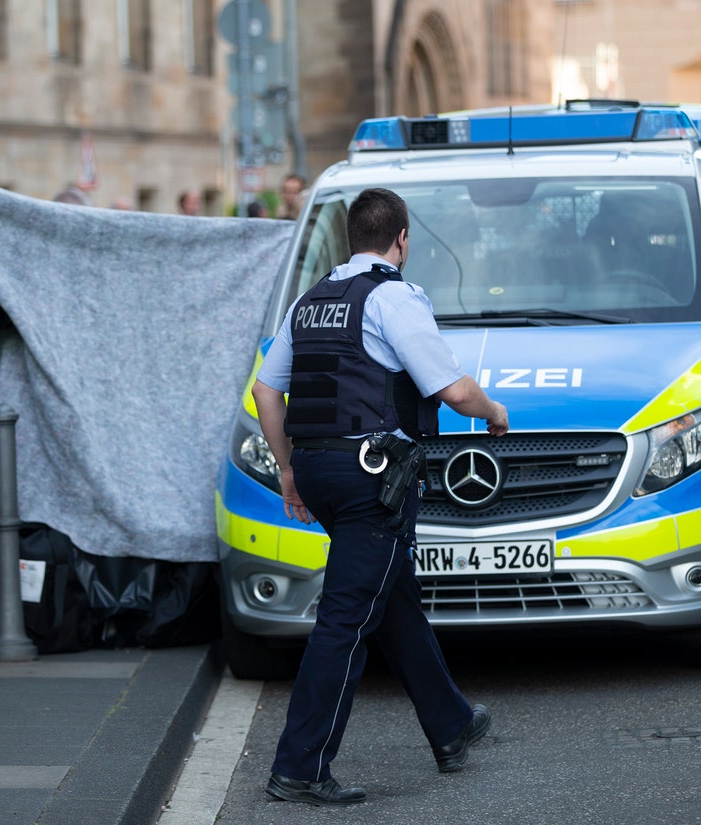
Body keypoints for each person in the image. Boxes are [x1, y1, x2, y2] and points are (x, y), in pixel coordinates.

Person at [252, 187, 509, 807]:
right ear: (401, 240)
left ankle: (451, 726)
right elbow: (451, 390)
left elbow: (266, 392)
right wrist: (495, 412)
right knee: (346, 619)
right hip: (374, 480)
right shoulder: (393, 297)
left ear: (350, 238)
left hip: (318, 469)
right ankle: (301, 766)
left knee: (391, 597)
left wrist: (288, 472)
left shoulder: (310, 302)